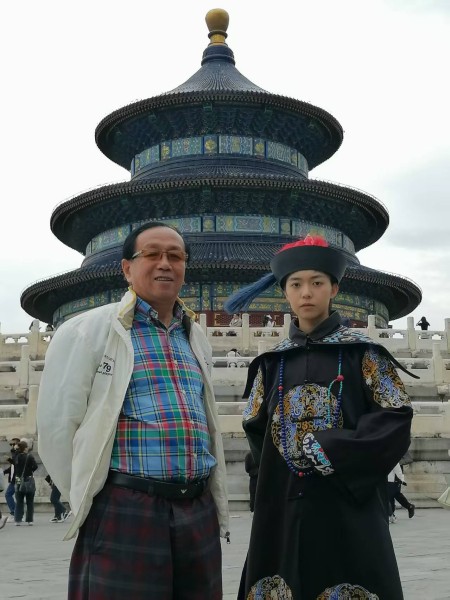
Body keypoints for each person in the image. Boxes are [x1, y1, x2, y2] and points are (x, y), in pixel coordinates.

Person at [37, 221, 229, 599]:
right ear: (127, 268)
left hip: (196, 508)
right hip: (126, 507)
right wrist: (91, 497)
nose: (165, 263)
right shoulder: (87, 331)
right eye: (152, 254)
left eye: (176, 256)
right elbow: (58, 427)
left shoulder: (195, 337)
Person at [225, 234, 414, 600]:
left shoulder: (364, 354)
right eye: (296, 284)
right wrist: (268, 484)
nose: (306, 293)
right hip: (283, 505)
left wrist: (334, 448)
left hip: (348, 502)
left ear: (334, 289)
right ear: (285, 292)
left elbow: (395, 418)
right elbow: (256, 432)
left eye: (316, 283)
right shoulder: (271, 363)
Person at [14, 440, 38, 526]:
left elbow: (13, 457)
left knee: (19, 500)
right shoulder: (29, 457)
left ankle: (18, 520)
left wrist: (16, 448)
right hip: (28, 478)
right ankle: (29, 520)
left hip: (18, 478)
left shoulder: (16, 456)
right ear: (25, 448)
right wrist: (29, 471)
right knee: (30, 501)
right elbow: (35, 466)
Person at [4, 438, 20, 521]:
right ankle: (17, 514)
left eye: (14, 444)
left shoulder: (19, 454)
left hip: (17, 479)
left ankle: (15, 514)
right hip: (15, 479)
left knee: (9, 494)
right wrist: (3, 472)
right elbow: (12, 467)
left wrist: (10, 459)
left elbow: (16, 464)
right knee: (15, 495)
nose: (12, 446)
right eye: (11, 444)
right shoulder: (15, 453)